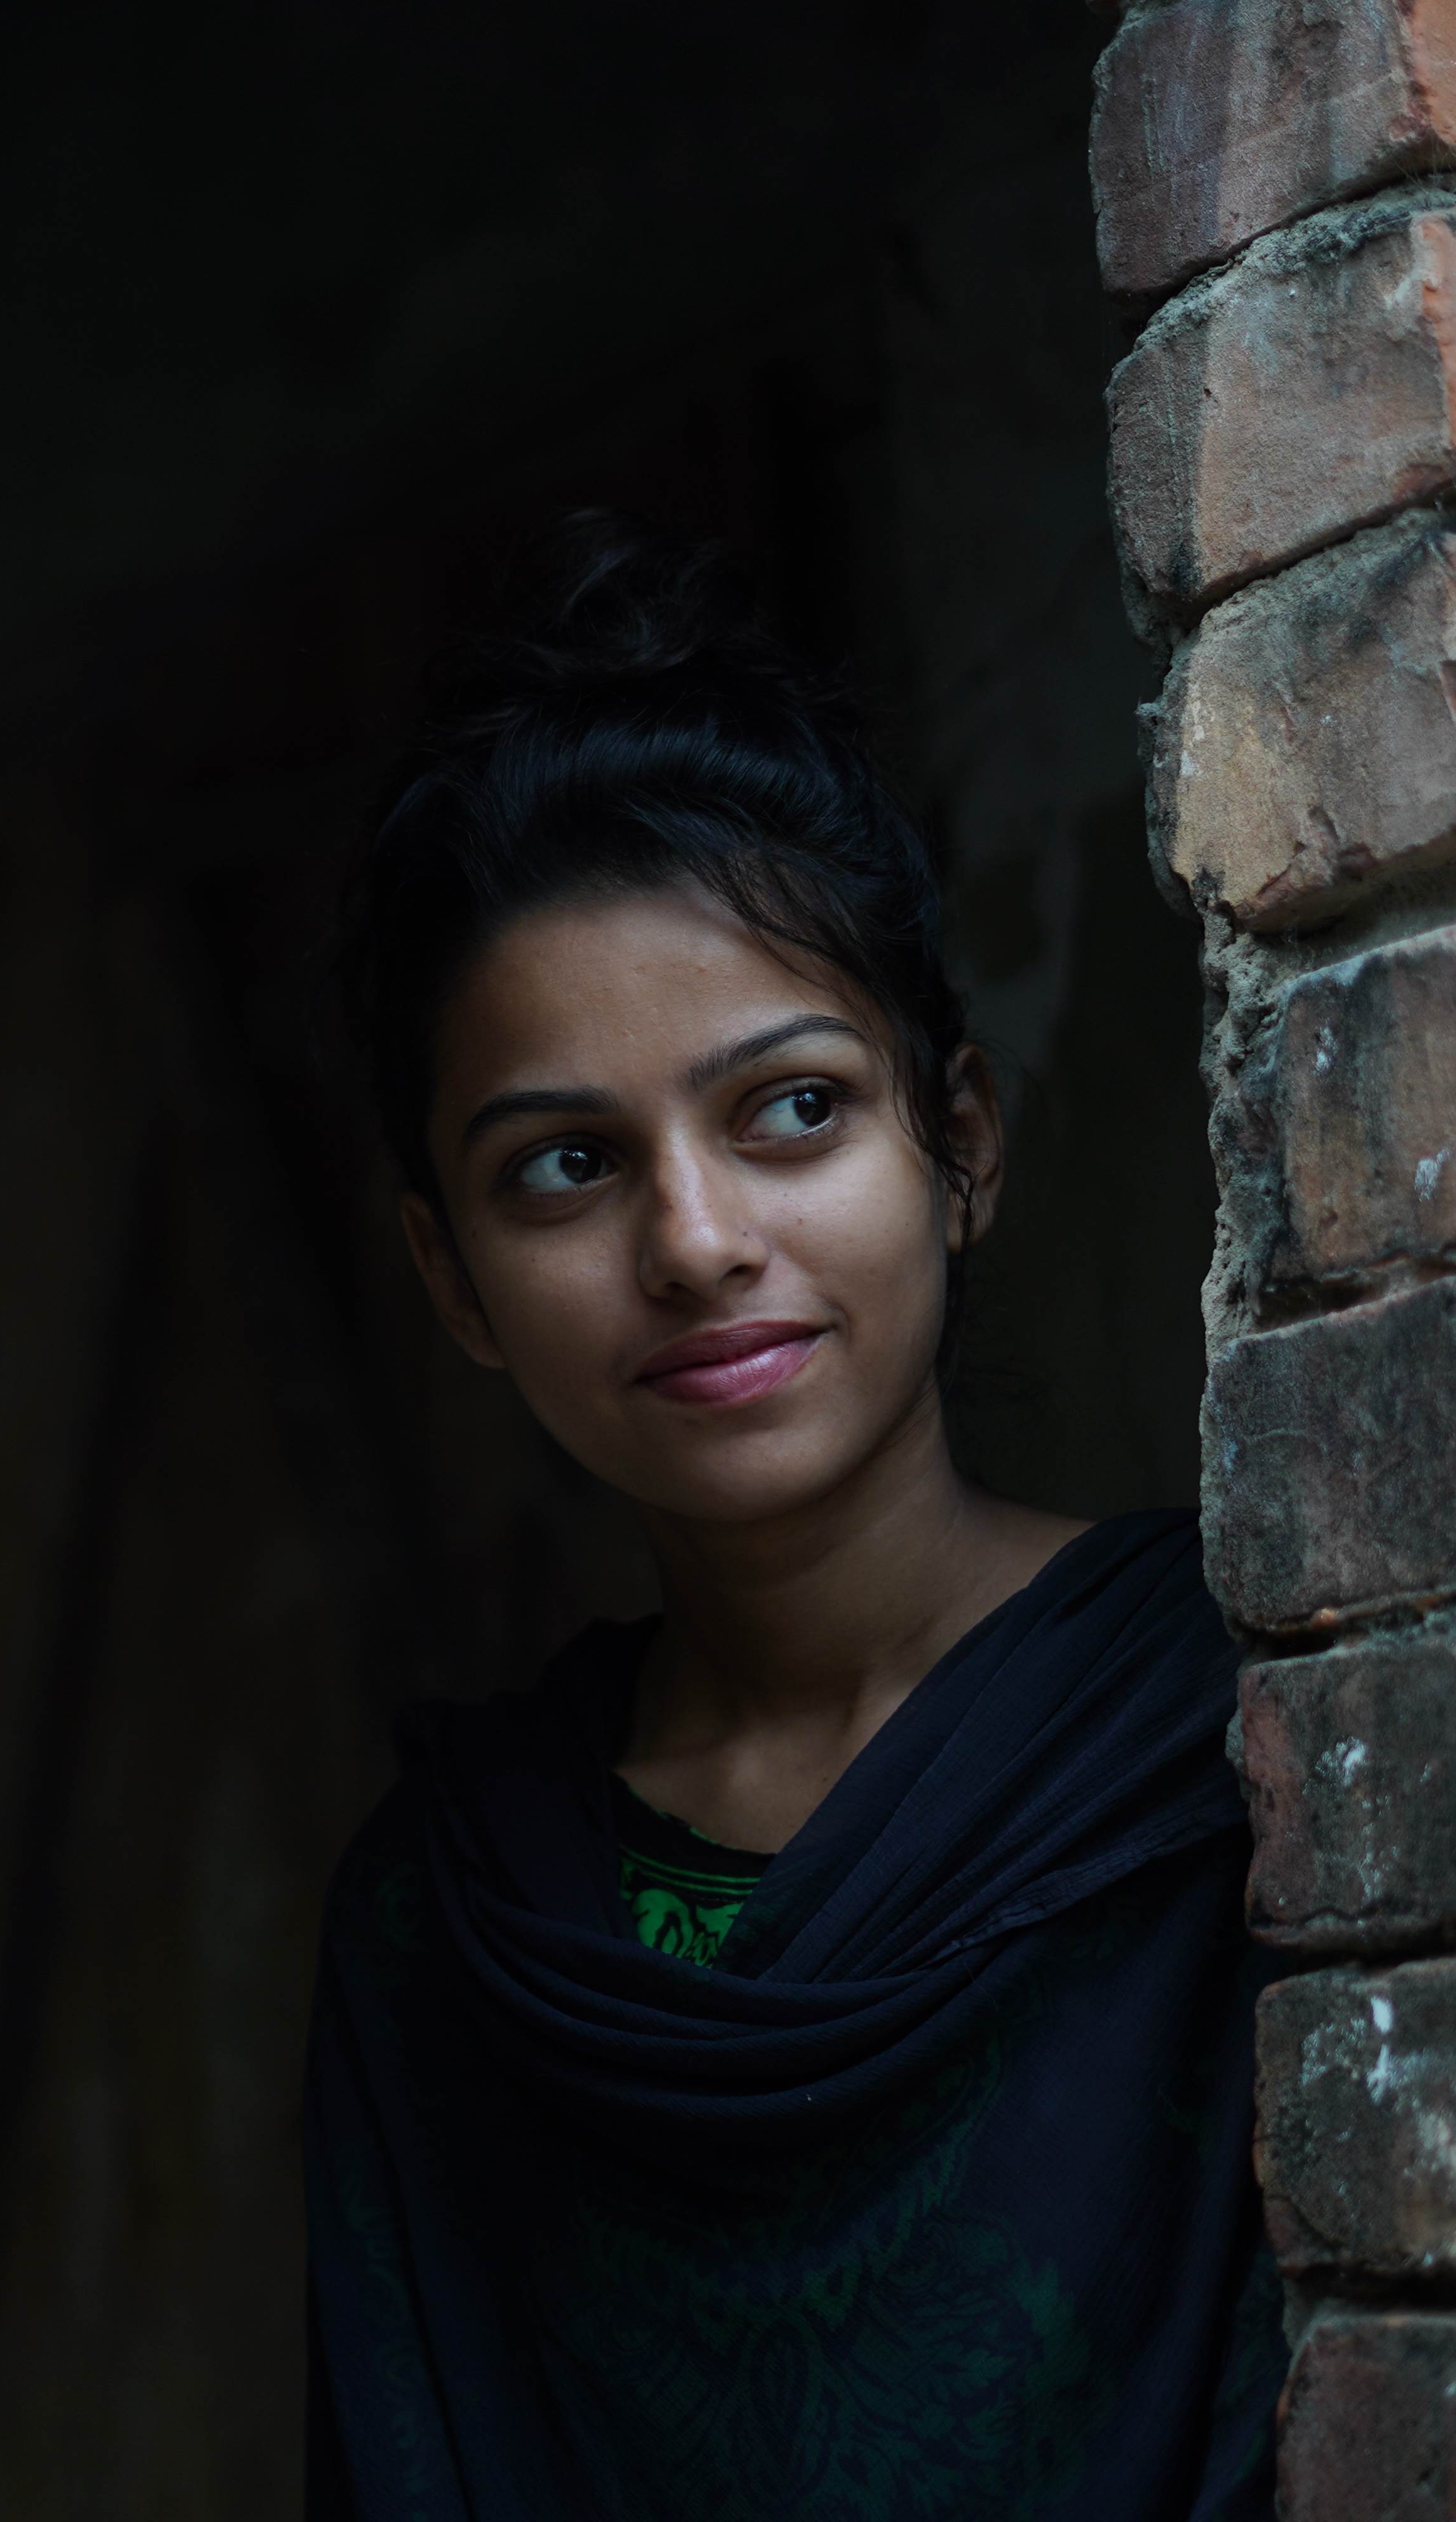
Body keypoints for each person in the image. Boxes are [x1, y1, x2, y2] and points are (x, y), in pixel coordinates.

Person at [302, 520, 1280, 2521]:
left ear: (964, 1145)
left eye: (794, 1110)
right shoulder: (459, 1920)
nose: (692, 1239)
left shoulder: (1225, 1734)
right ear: (453, 1279)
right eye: (565, 1165)